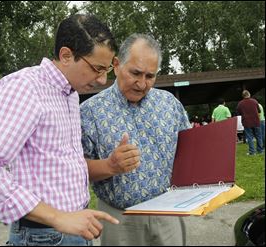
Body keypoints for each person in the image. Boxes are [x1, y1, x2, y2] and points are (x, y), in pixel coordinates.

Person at [0, 14, 141, 246]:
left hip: (72, 230)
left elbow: (61, 165)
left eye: (107, 69)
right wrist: (57, 217)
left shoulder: (70, 95)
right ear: (66, 55)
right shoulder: (25, 88)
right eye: (97, 69)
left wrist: (111, 166)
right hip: (43, 236)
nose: (102, 80)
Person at [80, 33, 191, 246]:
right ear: (116, 64)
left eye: (150, 76)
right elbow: (74, 169)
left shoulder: (170, 104)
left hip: (168, 215)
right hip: (120, 219)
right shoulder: (88, 113)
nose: (142, 84)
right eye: (135, 73)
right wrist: (109, 166)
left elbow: (188, 152)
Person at [236, 90, 263, 155]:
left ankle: (252, 152)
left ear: (243, 96)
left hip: (246, 122)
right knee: (259, 136)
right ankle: (260, 151)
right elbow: (259, 112)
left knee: (249, 137)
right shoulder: (255, 101)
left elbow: (238, 113)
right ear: (249, 94)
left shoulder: (240, 103)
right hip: (256, 121)